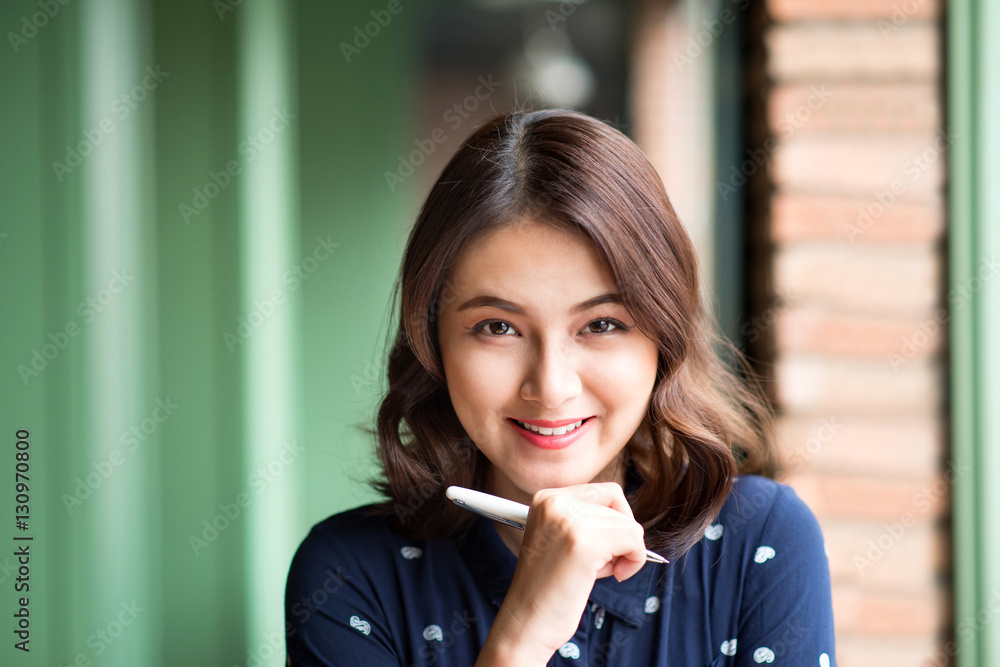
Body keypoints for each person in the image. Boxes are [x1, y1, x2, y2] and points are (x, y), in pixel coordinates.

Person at [285, 108, 836, 666]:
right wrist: (523, 633)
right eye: (497, 327)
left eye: (601, 325)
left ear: (663, 339)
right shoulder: (350, 576)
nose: (550, 388)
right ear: (433, 342)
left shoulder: (759, 541)